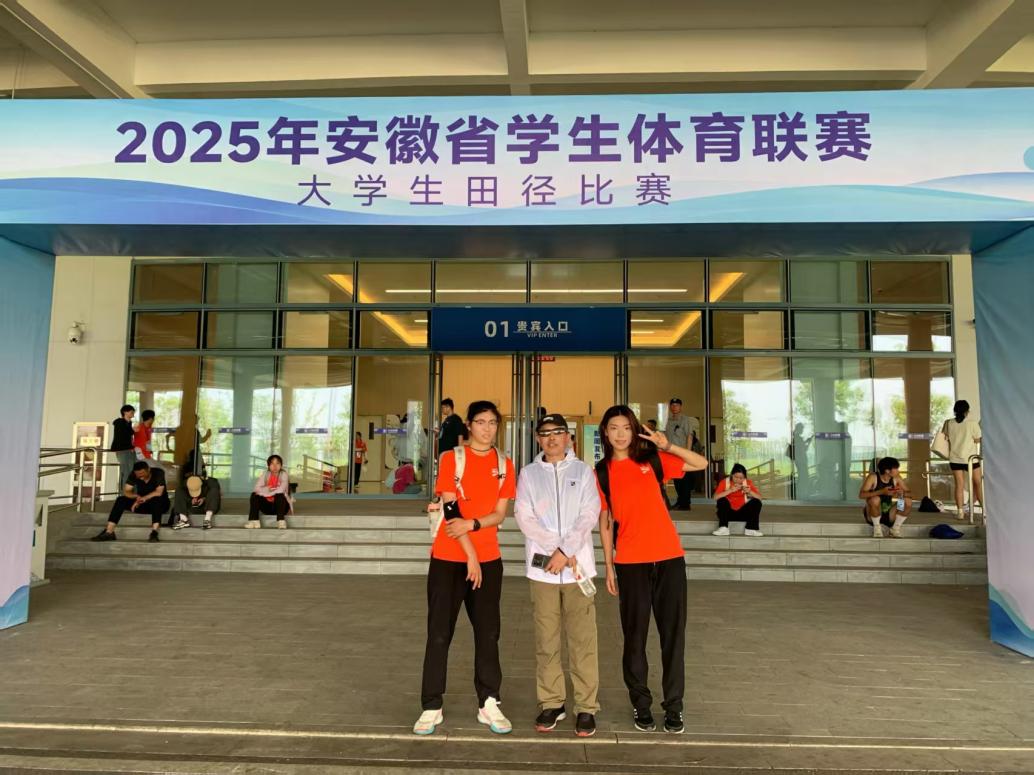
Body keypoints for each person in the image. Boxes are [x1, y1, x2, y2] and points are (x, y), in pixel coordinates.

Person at [597, 405, 708, 735]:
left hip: (669, 559)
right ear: (605, 432)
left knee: (673, 636)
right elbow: (605, 521)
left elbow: (700, 464)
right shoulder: (601, 472)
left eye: (626, 427)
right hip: (630, 563)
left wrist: (667, 445)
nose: (620, 434)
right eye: (614, 428)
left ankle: (674, 706)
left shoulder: (653, 460)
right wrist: (609, 566)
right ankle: (641, 704)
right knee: (635, 638)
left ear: (634, 431)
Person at [414, 400, 516, 737]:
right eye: (481, 422)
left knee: (488, 633)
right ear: (469, 425)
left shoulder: (504, 464)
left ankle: (489, 702)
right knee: (439, 633)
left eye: (493, 423)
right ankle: (432, 705)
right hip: (448, 559)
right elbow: (450, 508)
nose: (487, 429)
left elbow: (499, 515)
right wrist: (471, 555)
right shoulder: (451, 458)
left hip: (489, 560)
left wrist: (473, 527)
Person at [514, 413, 601, 738]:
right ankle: (552, 702)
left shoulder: (584, 471)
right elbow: (524, 516)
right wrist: (557, 549)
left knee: (583, 640)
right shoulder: (529, 474)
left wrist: (567, 550)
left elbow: (589, 514)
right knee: (546, 639)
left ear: (568, 437)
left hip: (579, 569)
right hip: (543, 570)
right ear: (538, 439)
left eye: (558, 432)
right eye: (545, 433)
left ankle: (586, 707)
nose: (551, 438)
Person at [92, 460, 168, 543]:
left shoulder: (158, 473)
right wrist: (136, 497)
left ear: (148, 470)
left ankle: (154, 533)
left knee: (156, 500)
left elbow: (158, 492)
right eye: (138, 474)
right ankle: (109, 532)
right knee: (121, 500)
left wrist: (144, 498)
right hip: (142, 504)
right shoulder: (134, 474)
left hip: (161, 505)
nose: (140, 476)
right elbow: (127, 491)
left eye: (142, 473)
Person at [944, 400, 984, 519]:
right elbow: (977, 439)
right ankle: (984, 511)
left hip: (955, 459)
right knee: (978, 484)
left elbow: (946, 437)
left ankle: (960, 512)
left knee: (959, 485)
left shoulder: (949, 423)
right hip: (970, 459)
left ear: (955, 411)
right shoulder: (972, 423)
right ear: (967, 411)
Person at [859, 456, 912, 538]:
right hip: (872, 514)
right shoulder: (873, 477)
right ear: (887, 471)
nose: (898, 470)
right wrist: (881, 492)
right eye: (896, 468)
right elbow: (861, 495)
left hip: (890, 514)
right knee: (875, 499)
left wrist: (902, 493)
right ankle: (877, 529)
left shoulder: (897, 478)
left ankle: (895, 529)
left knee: (907, 500)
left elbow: (910, 493)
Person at [664, 398, 698, 510]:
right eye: (673, 405)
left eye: (677, 405)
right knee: (676, 478)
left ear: (681, 407)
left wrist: (687, 453)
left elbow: (689, 436)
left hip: (682, 453)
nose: (675, 407)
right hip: (671, 454)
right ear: (670, 407)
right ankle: (680, 501)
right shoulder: (668, 420)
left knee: (684, 479)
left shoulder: (685, 420)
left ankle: (685, 503)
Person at [712, 463, 764, 537]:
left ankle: (750, 529)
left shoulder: (748, 483)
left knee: (756, 502)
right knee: (721, 500)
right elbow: (715, 497)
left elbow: (760, 498)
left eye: (741, 478)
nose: (738, 480)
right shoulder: (724, 482)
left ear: (745, 477)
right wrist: (730, 490)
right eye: (736, 477)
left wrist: (750, 491)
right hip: (728, 514)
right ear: (731, 475)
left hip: (743, 514)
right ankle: (723, 528)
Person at [247, 454, 290, 529]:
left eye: (277, 463)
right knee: (254, 495)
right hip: (268, 507)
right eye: (272, 463)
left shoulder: (284, 474)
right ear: (268, 465)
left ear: (281, 465)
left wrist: (266, 493)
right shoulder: (266, 474)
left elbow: (281, 490)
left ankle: (281, 522)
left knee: (279, 495)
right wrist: (267, 488)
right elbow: (256, 488)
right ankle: (254, 521)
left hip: (281, 507)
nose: (275, 466)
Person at [111, 404, 136, 488]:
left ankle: (130, 490)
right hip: (122, 450)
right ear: (125, 412)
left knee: (131, 471)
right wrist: (133, 430)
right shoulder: (119, 422)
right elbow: (124, 434)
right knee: (126, 471)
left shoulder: (128, 423)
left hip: (128, 450)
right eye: (131, 412)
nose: (133, 413)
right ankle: (125, 491)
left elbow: (128, 435)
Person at [790, 423, 813, 498]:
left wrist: (806, 441)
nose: (803, 430)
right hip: (801, 461)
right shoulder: (798, 438)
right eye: (802, 428)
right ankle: (803, 494)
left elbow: (800, 448)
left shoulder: (795, 438)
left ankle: (800, 494)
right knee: (804, 478)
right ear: (799, 429)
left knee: (802, 477)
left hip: (799, 461)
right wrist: (809, 442)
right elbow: (804, 449)